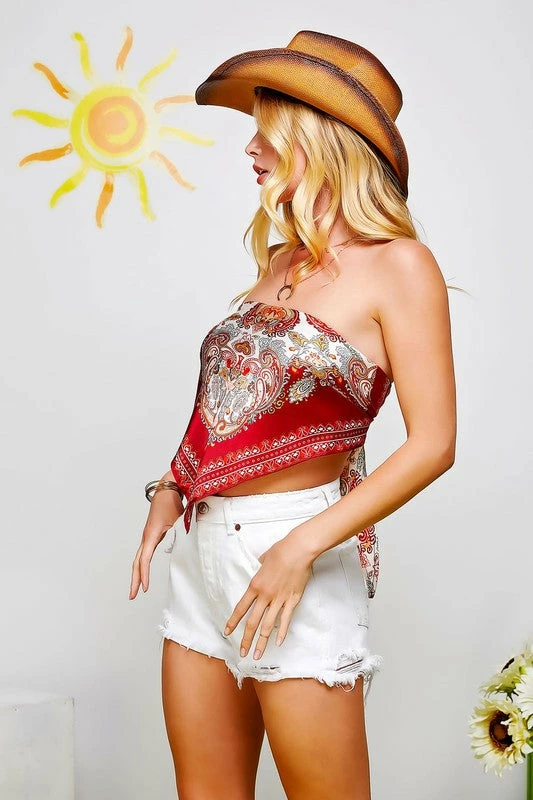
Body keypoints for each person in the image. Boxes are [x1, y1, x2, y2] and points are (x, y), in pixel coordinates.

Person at [129, 30, 457, 800]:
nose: (249, 148)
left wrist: (300, 546)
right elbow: (232, 399)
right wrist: (172, 485)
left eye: (267, 130)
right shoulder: (281, 260)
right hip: (203, 552)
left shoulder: (400, 265)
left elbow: (434, 443)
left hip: (296, 554)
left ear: (323, 138)